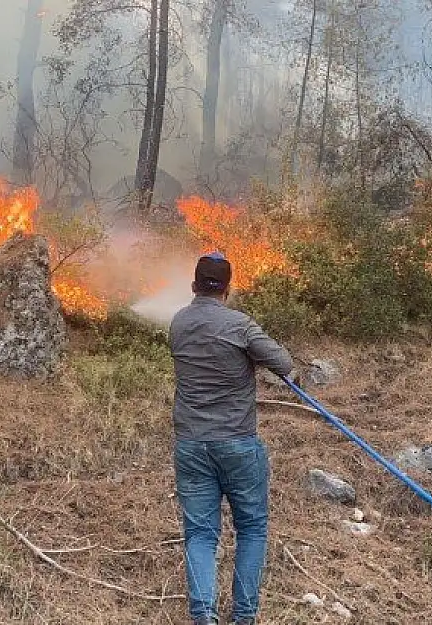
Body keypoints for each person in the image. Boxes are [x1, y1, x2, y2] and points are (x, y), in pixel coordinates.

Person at [169, 251, 294, 625]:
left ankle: (204, 617)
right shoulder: (240, 325)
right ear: (227, 288)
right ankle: (243, 617)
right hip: (238, 443)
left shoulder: (177, 322)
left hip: (191, 444)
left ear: (193, 285)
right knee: (252, 528)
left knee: (201, 534)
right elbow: (283, 364)